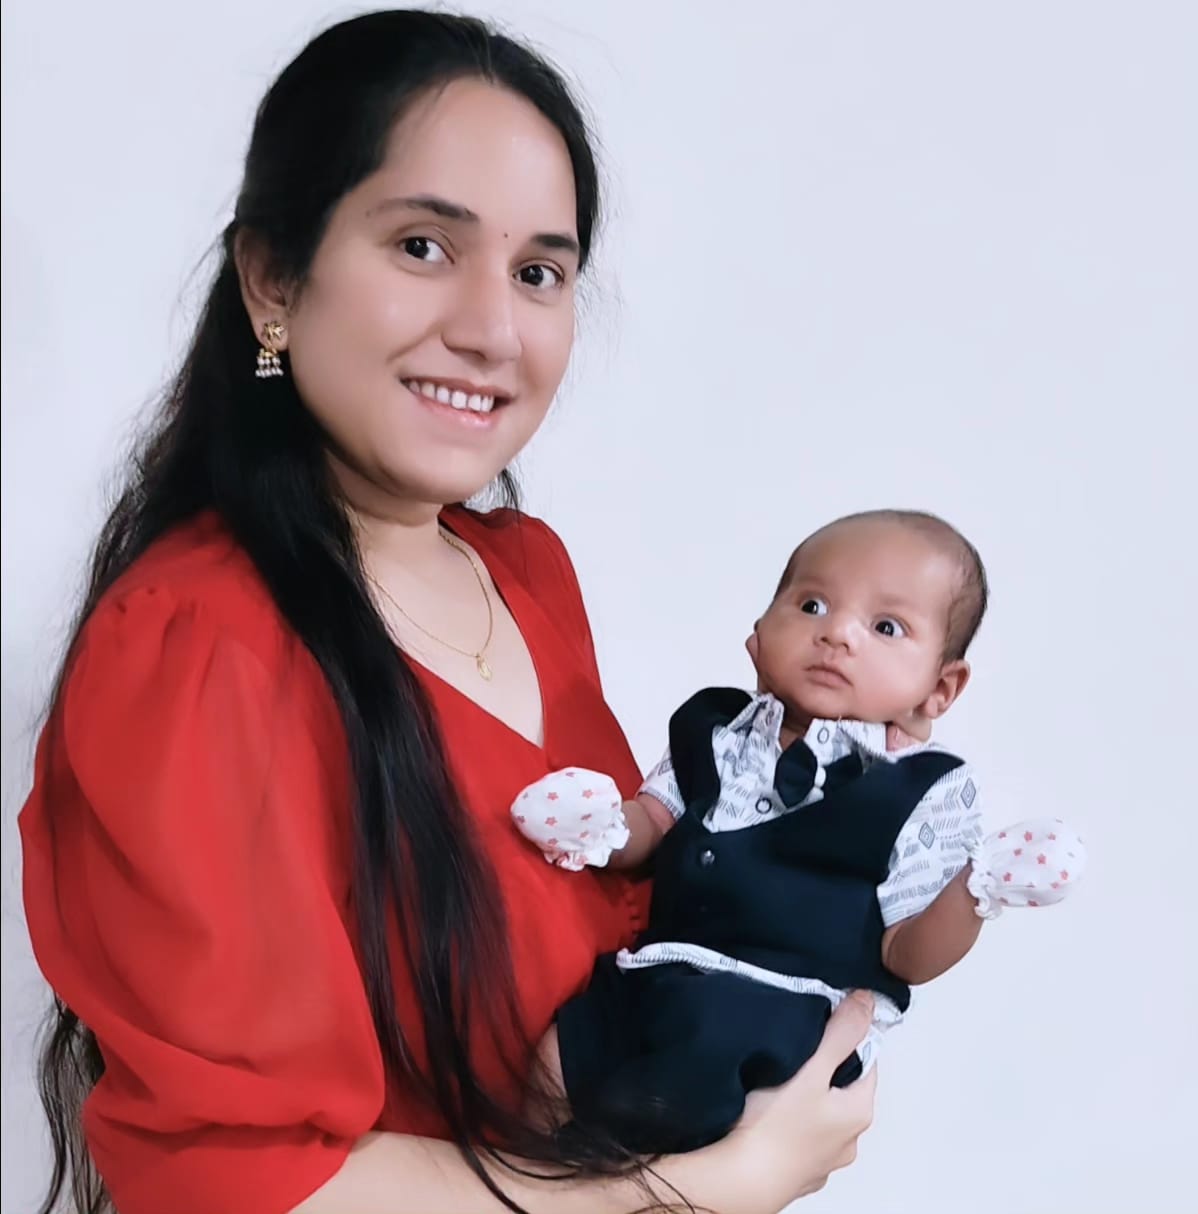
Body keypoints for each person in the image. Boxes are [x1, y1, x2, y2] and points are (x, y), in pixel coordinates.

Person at [17, 11, 876, 1214]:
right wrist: (698, 1187)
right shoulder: (199, 642)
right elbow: (247, 1181)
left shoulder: (524, 572)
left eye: (538, 272)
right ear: (272, 279)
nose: (490, 330)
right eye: (423, 246)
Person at [513, 510, 1085, 1153]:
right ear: (758, 636)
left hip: (790, 1008)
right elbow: (655, 821)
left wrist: (976, 890)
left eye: (886, 627)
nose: (836, 633)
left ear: (940, 688)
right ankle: (541, 1170)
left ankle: (623, 1163)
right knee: (559, 1056)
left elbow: (907, 954)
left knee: (686, 1082)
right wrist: (602, 827)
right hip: (660, 971)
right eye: (812, 605)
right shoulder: (716, 732)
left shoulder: (926, 790)